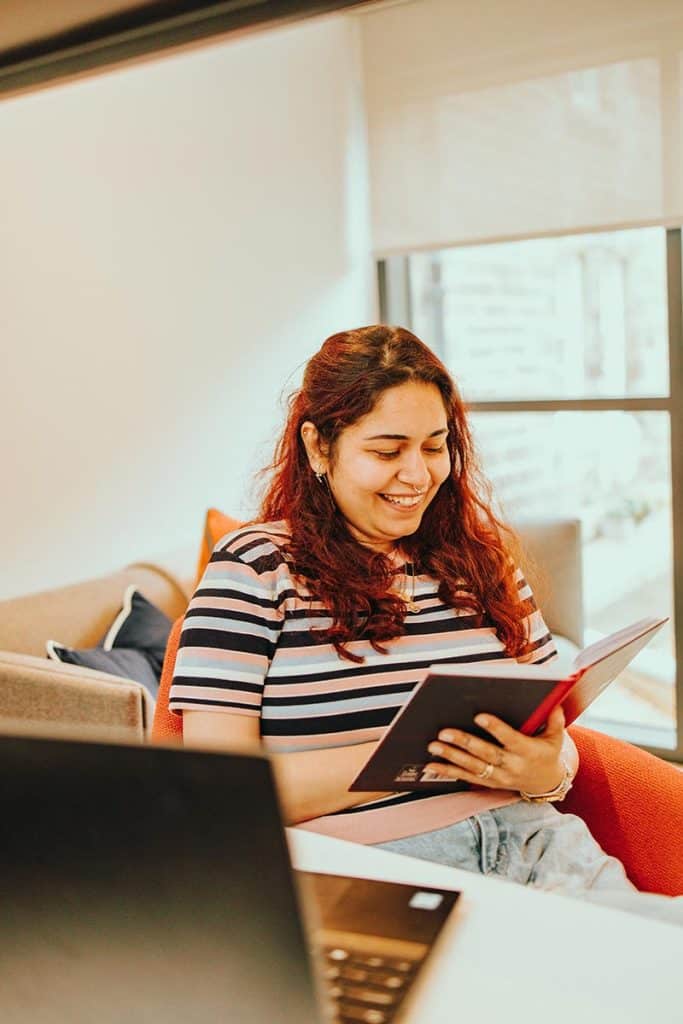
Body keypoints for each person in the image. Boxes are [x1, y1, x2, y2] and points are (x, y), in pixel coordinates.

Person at [170, 325, 680, 920]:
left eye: (434, 446)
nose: (417, 476)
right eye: (387, 451)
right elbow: (215, 797)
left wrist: (545, 768)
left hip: (541, 848)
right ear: (318, 448)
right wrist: (419, 756)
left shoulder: (481, 560)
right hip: (375, 873)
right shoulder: (254, 570)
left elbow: (555, 732)